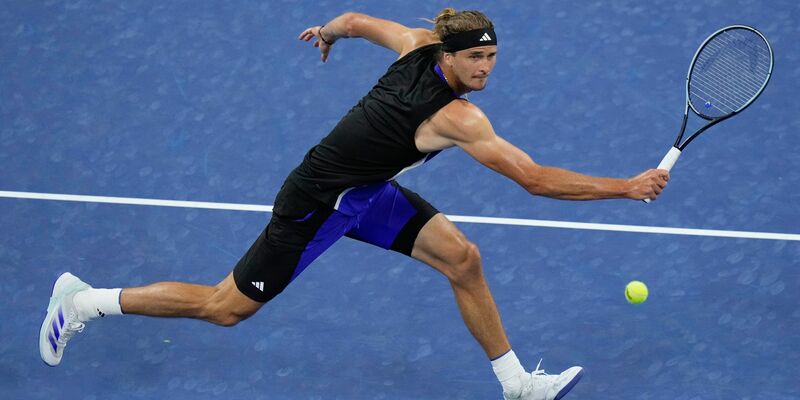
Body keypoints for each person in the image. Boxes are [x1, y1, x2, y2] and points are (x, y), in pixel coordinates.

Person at [39, 8, 669, 400]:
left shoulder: (416, 42)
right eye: (476, 57)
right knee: (224, 307)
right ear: (447, 55)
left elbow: (359, 18)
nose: (486, 68)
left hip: (365, 192)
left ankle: (516, 386)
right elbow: (532, 179)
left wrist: (329, 33)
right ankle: (86, 301)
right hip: (318, 203)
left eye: (493, 57)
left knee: (462, 258)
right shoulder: (458, 118)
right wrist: (627, 185)